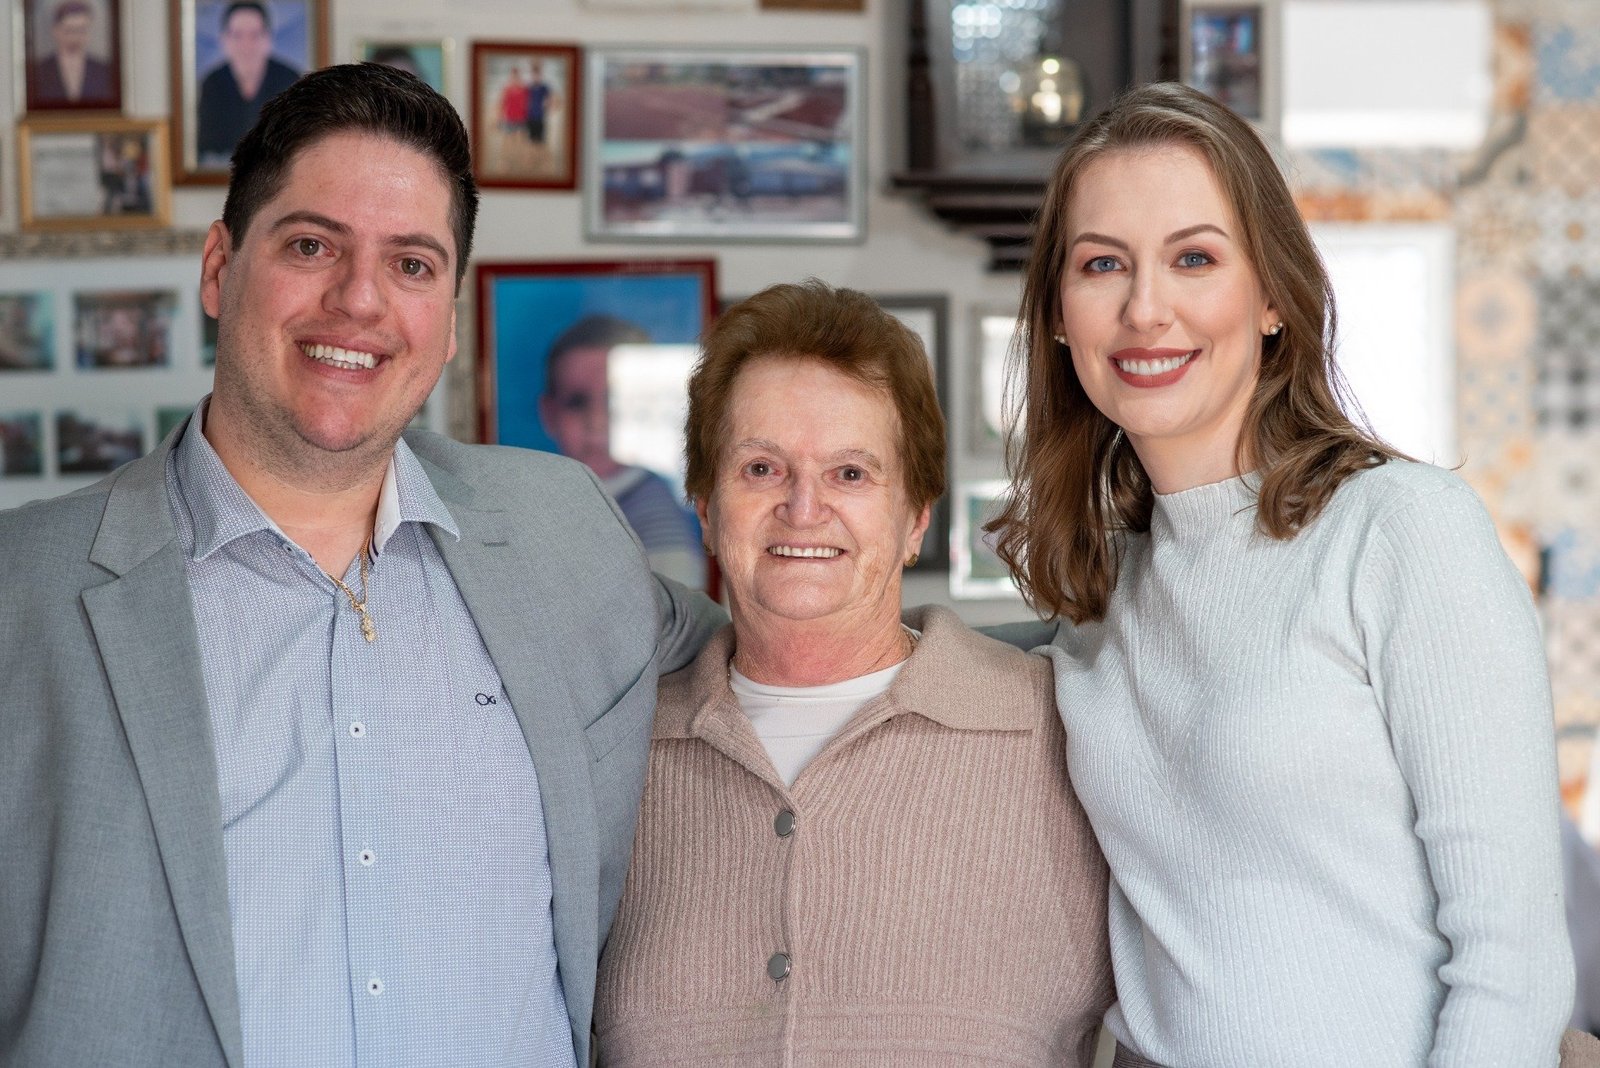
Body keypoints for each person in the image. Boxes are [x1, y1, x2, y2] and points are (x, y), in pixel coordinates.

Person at [0, 63, 720, 1067]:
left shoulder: (563, 527)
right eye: (311, 245)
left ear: (448, 312)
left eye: (413, 265)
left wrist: (1010, 672)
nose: (359, 302)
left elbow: (788, 656)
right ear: (219, 267)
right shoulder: (21, 595)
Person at [990, 81, 1575, 1066]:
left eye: (1194, 258)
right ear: (1057, 313)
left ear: (1269, 297)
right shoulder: (1103, 591)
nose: (1145, 309)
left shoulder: (1399, 532)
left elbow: (1511, 955)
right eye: (1101, 265)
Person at [593, 280, 1112, 1064]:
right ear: (703, 506)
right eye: (761, 469)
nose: (804, 509)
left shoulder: (1064, 732)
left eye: (850, 474)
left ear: (915, 518)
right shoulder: (612, 759)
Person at [540, 314, 707, 588]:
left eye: (613, 400)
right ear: (549, 413)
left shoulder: (657, 520)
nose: (596, 421)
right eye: (577, 402)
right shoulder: (555, 497)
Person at [195, 1, 301, 165]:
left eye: (255, 35)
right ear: (225, 40)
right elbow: (208, 148)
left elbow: (298, 143)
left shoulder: (290, 79)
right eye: (237, 35)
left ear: (268, 39)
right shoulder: (212, 84)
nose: (246, 45)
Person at [29, 0, 115, 107]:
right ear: (56, 30)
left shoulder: (104, 71)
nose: (75, 37)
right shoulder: (39, 71)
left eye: (81, 30)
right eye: (69, 30)